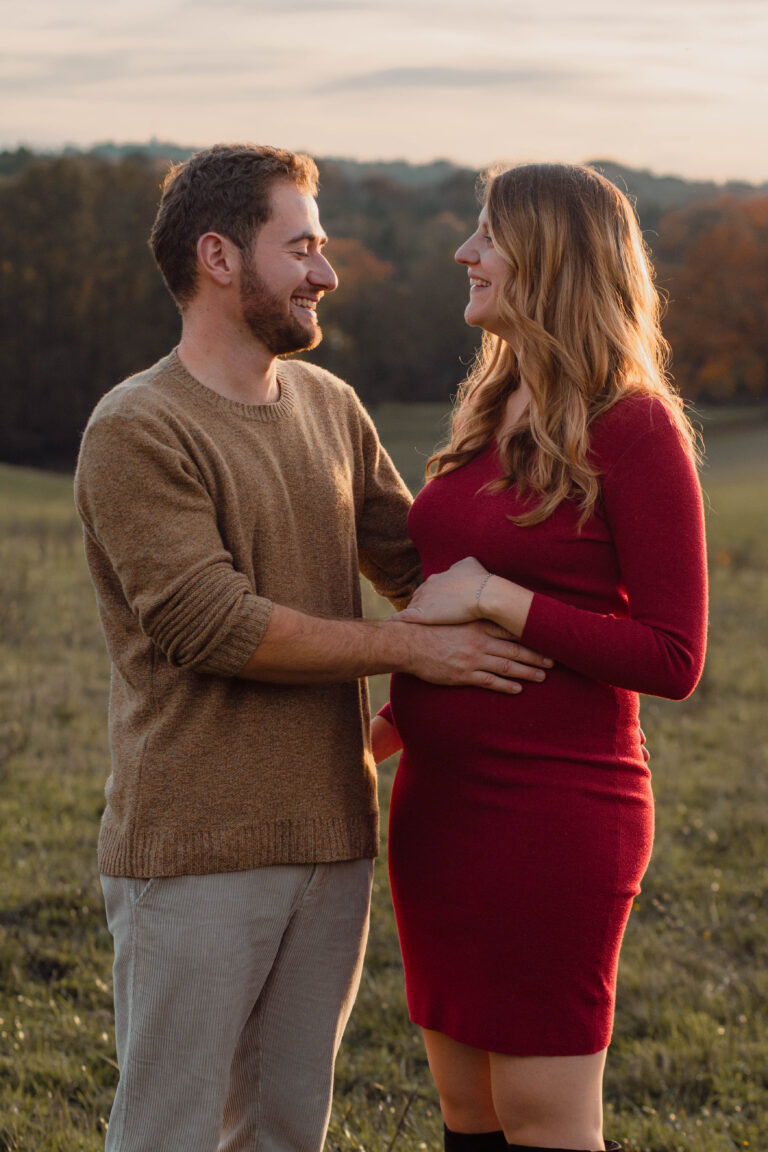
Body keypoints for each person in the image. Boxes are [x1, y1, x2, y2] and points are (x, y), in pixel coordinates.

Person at [74, 144, 552, 1152]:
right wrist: (410, 656)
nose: (325, 274)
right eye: (302, 248)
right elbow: (210, 623)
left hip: (335, 844)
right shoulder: (138, 426)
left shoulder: (331, 407)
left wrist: (561, 604)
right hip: (197, 854)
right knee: (166, 1133)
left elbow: (421, 568)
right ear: (217, 256)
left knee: (290, 1131)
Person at [371, 163, 708, 1152]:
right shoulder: (495, 407)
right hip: (437, 811)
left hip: (551, 816)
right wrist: (389, 727)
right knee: (469, 1117)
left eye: (486, 234)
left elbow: (675, 654)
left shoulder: (635, 426)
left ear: (552, 257)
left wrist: (499, 597)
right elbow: (439, 612)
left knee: (543, 1122)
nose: (464, 253)